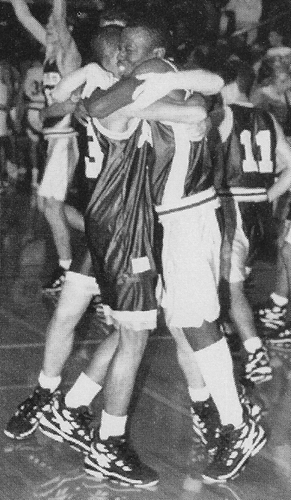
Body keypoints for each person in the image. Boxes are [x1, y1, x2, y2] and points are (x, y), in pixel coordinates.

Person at [39, 19, 265, 484]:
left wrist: (169, 87)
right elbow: (186, 106)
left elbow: (204, 98)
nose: (129, 66)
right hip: (144, 225)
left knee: (187, 325)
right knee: (165, 328)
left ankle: (233, 422)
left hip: (185, 216)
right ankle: (88, 414)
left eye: (133, 58)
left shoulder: (157, 78)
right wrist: (157, 98)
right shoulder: (131, 91)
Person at [4, 25, 123, 444]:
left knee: (125, 330)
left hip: (128, 224)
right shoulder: (109, 93)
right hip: (108, 223)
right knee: (75, 316)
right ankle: (50, 396)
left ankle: (66, 404)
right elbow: (54, 107)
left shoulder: (128, 92)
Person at [10, 0, 81, 294]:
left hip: (65, 138)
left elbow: (60, 16)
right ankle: (107, 233)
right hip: (54, 140)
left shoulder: (68, 54)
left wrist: (58, 9)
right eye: (47, 26)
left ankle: (67, 268)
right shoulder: (51, 52)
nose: (48, 28)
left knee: (50, 205)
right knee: (54, 206)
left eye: (53, 25)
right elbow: (24, 15)